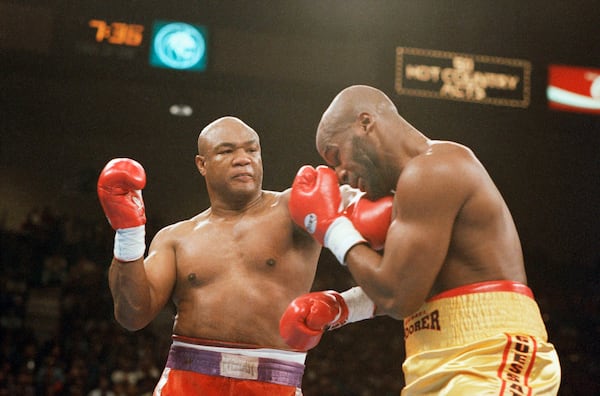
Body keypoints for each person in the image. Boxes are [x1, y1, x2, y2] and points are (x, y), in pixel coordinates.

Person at [281, 85, 562, 395]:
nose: (340, 174)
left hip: (490, 358)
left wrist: (330, 228)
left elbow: (398, 297)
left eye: (337, 155)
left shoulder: (435, 169)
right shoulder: (411, 190)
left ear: (365, 123)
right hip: (433, 367)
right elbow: (412, 282)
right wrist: (342, 306)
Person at [97, 116, 392, 395]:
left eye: (252, 149)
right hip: (186, 382)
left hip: (274, 382)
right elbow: (132, 315)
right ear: (202, 164)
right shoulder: (176, 237)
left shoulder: (295, 208)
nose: (243, 158)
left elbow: (391, 230)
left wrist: (342, 306)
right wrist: (129, 233)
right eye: (226, 151)